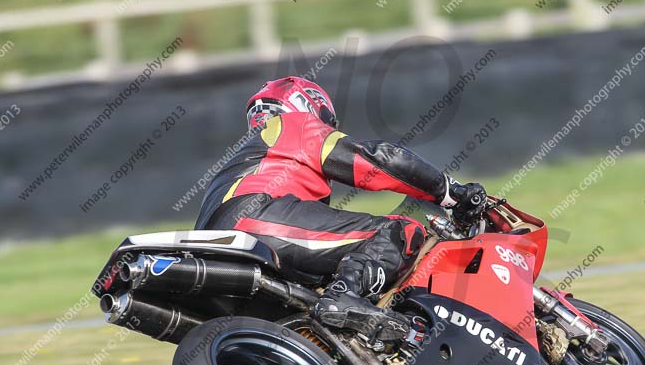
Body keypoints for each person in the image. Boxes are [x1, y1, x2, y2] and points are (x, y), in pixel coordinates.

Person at [195, 76, 487, 338]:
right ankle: (344, 296)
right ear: (311, 106)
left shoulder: (245, 163)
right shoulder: (293, 125)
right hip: (257, 221)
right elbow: (377, 160)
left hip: (215, 253)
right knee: (400, 231)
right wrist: (449, 191)